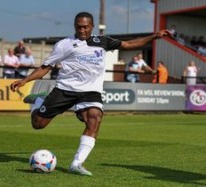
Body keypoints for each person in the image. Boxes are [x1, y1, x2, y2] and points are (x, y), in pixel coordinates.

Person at [10, 12, 171, 176]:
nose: (82, 30)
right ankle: (37, 101)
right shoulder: (64, 44)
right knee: (38, 124)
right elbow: (46, 67)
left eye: (85, 27)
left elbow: (129, 45)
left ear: (92, 27)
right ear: (75, 26)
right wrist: (25, 80)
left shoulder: (103, 41)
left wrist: (154, 36)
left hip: (90, 92)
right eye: (79, 27)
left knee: (95, 119)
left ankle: (77, 164)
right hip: (66, 89)